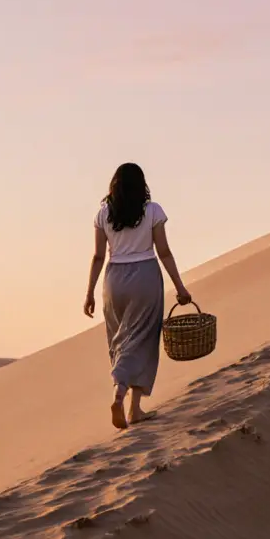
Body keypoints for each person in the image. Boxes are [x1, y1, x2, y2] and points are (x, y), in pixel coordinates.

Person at [83, 163, 192, 430]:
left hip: (113, 281)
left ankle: (132, 407)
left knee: (121, 339)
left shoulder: (103, 214)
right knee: (142, 340)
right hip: (145, 277)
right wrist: (180, 287)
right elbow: (164, 252)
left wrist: (89, 293)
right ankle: (122, 395)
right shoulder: (152, 211)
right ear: (142, 184)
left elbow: (98, 256)